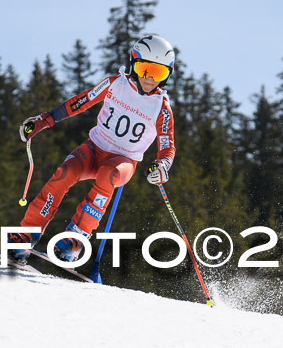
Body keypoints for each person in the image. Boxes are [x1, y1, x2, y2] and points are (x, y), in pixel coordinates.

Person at [9, 34, 176, 263]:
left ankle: (75, 239)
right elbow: (80, 102)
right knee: (64, 173)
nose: (150, 79)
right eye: (145, 69)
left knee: (109, 173)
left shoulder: (162, 108)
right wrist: (45, 120)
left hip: (123, 162)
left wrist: (162, 165)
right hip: (94, 149)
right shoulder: (114, 84)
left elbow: (167, 147)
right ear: (133, 64)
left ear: (167, 75)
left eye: (159, 73)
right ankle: (24, 235)